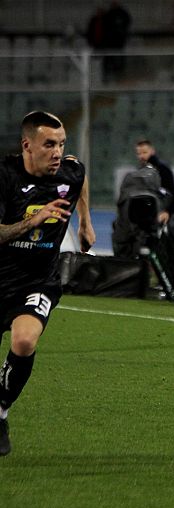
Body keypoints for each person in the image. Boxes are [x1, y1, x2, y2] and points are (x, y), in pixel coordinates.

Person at [0, 111, 96, 456]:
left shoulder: (68, 172)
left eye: (61, 144)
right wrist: (35, 219)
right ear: (27, 145)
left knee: (24, 340)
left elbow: (80, 177)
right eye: (49, 145)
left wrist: (85, 222)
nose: (57, 152)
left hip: (37, 280)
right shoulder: (5, 176)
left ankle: (1, 411)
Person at [135, 139, 174, 203]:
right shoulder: (140, 170)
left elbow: (171, 192)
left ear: (152, 151)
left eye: (144, 152)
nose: (141, 156)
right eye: (139, 154)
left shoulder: (163, 169)